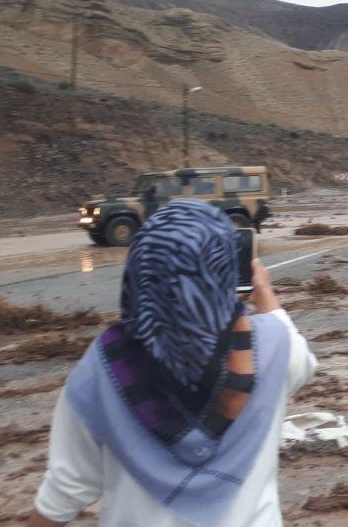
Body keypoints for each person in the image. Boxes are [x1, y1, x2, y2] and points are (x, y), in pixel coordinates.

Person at [29, 200, 317, 526]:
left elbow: (65, 490)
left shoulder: (104, 365)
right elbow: (303, 362)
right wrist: (264, 293)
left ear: (138, 271)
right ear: (223, 271)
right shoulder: (273, 345)